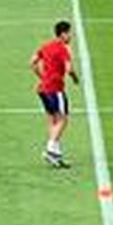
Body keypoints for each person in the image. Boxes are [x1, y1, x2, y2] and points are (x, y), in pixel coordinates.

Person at [32, 21, 76, 168]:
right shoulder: (63, 49)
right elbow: (69, 69)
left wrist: (42, 77)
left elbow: (32, 62)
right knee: (63, 120)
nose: (71, 36)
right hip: (55, 89)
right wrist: (75, 78)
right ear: (63, 34)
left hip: (42, 89)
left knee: (53, 120)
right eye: (69, 33)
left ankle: (56, 155)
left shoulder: (46, 46)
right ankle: (50, 148)